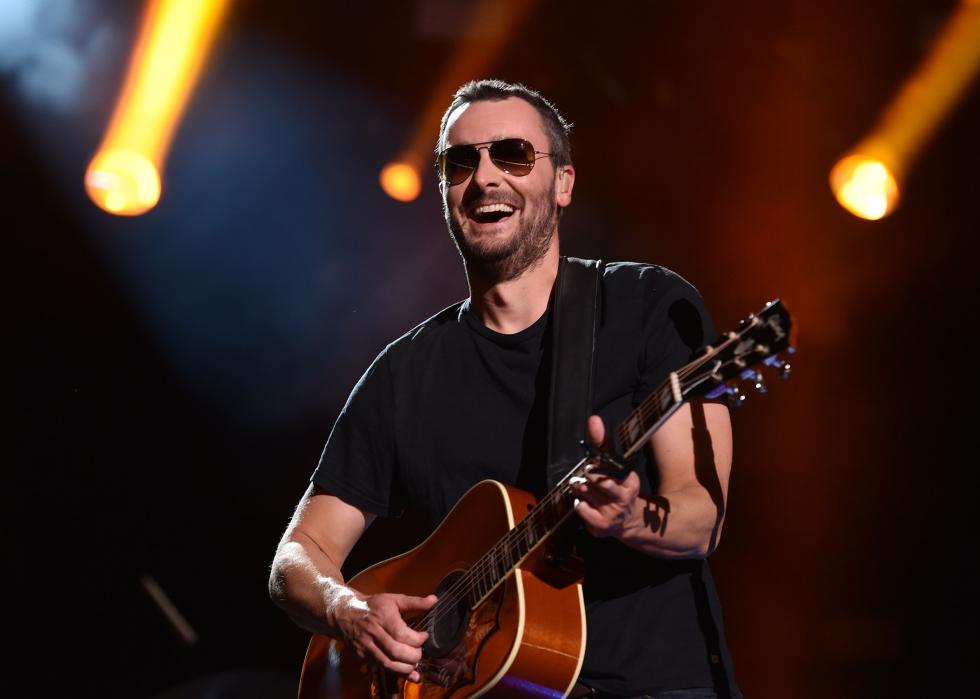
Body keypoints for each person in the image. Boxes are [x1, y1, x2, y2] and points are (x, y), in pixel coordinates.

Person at [269, 79, 740, 699]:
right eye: (460, 162)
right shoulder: (405, 372)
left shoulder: (647, 308)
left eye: (513, 154)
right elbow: (296, 558)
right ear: (443, 193)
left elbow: (702, 517)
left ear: (564, 182)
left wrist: (630, 519)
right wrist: (350, 612)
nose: (485, 177)